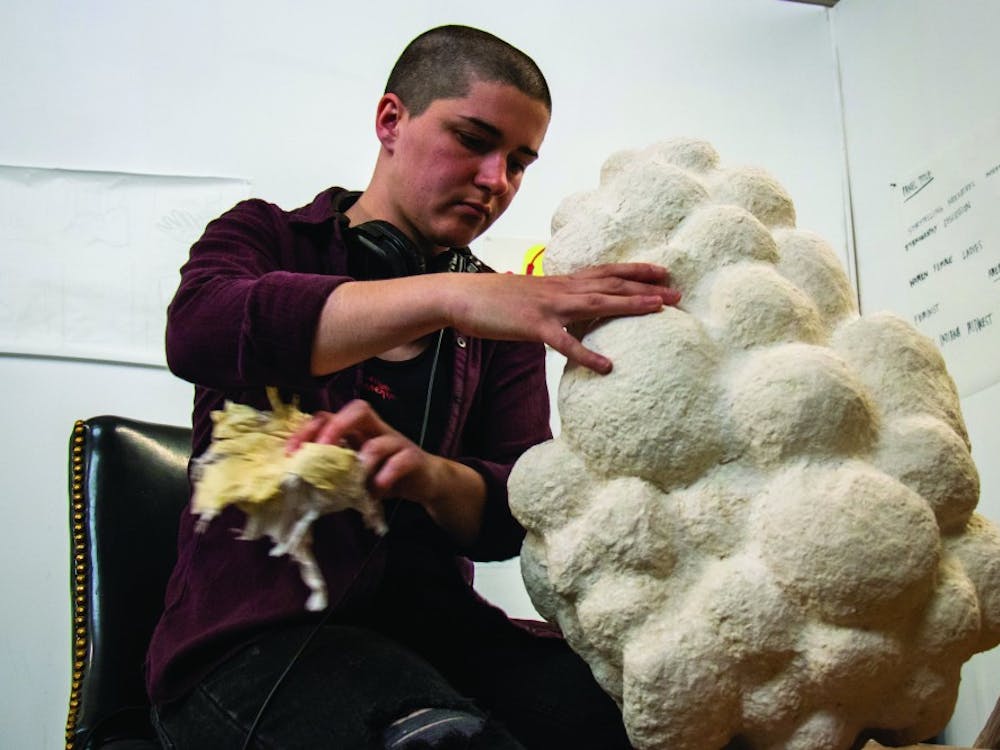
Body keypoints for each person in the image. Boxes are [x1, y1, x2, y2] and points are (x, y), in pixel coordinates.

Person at [147, 24, 680, 750]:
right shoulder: (264, 235)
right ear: (391, 120)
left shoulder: (502, 313)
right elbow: (199, 329)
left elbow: (512, 515)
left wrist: (430, 476)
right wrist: (451, 297)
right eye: (473, 140)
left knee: (650, 722)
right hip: (249, 651)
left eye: (519, 163)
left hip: (439, 640)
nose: (497, 181)